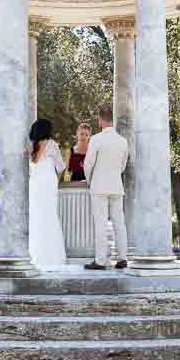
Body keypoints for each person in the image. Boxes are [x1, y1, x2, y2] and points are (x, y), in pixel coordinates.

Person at [82, 104, 129, 270]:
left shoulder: (96, 139)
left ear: (100, 120)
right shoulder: (123, 141)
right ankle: (122, 258)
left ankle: (101, 261)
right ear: (112, 119)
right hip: (116, 186)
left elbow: (88, 164)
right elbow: (123, 166)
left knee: (100, 223)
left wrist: (90, 180)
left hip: (99, 187)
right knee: (119, 223)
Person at [27, 118, 68, 268]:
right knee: (50, 215)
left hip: (34, 184)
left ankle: (34, 253)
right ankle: (52, 257)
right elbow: (61, 166)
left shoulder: (30, 146)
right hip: (49, 184)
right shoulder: (52, 145)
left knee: (36, 216)